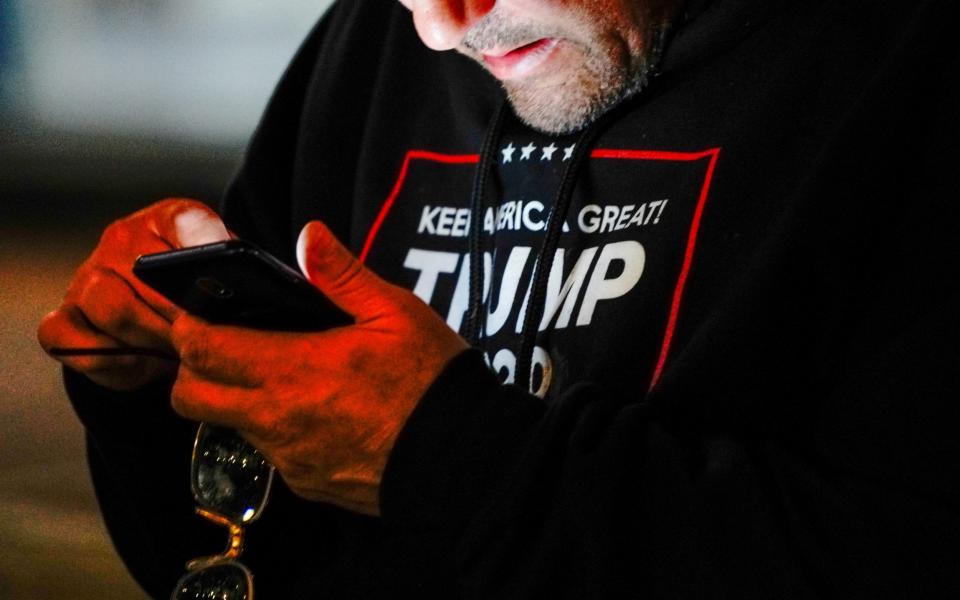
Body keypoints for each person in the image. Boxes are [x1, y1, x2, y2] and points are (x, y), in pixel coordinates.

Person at [38, 0, 960, 597]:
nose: (441, 25)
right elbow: (231, 566)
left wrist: (456, 458)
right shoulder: (372, 44)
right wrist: (160, 397)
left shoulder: (899, 73)